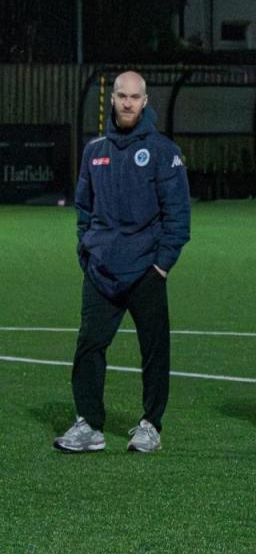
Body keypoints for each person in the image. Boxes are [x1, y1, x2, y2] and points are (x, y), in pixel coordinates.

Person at [54, 71, 190, 454]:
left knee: (154, 349)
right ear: (111, 99)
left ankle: (150, 425)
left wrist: (161, 264)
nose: (128, 102)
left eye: (135, 97)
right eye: (121, 96)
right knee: (89, 346)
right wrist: (88, 249)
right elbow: (83, 207)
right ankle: (89, 426)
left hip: (146, 268)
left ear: (145, 102)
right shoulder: (94, 149)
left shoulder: (164, 151)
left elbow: (178, 216)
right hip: (101, 270)